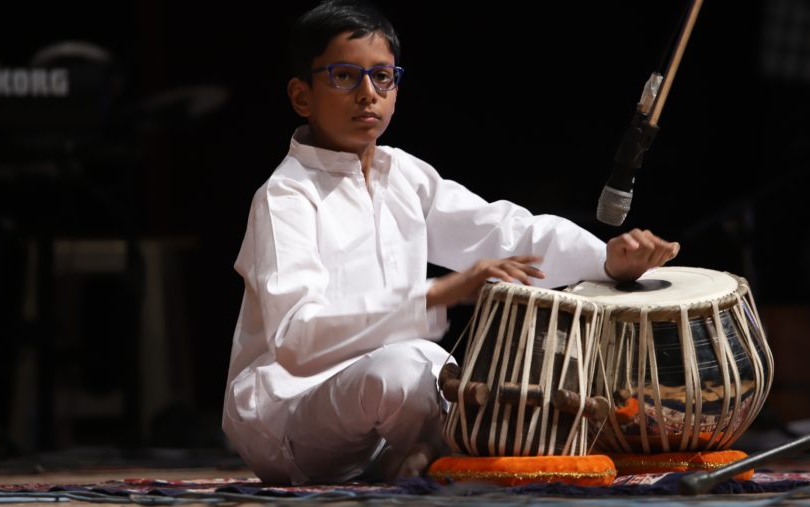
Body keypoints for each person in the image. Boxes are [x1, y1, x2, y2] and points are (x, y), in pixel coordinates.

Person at [221, 0, 681, 485]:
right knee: (409, 365)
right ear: (302, 96)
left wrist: (606, 259)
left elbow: (502, 231)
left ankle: (432, 461)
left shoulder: (405, 176)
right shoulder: (284, 197)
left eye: (382, 77)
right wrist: (440, 293)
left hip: (378, 419)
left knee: (439, 368)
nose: (367, 94)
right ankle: (467, 462)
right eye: (344, 76)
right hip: (289, 420)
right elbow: (296, 340)